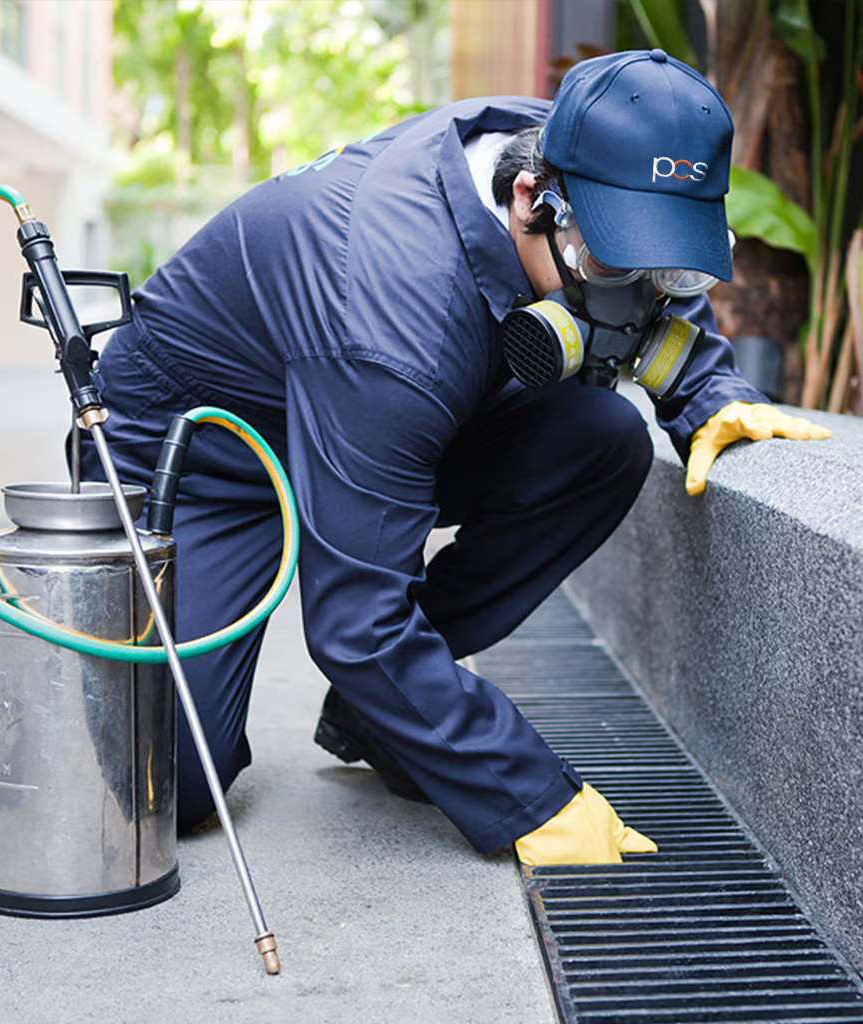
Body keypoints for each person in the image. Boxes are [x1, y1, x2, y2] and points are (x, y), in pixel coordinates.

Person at [78, 49, 830, 865]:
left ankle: (381, 719)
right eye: (609, 265)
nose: (637, 300)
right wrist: (525, 798)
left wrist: (709, 395)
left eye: (667, 264)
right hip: (204, 458)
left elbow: (661, 285)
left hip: (380, 409)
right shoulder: (392, 314)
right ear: (530, 200)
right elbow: (357, 623)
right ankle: (386, 702)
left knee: (603, 441)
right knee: (173, 783)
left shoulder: (582, 141)